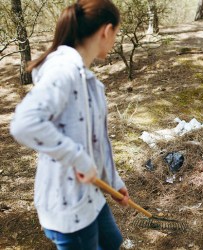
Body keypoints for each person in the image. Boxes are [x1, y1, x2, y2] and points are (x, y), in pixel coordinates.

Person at [10, 0, 129, 249]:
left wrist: (114, 181)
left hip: (91, 197)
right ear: (106, 31)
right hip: (68, 206)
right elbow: (24, 123)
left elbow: (96, 141)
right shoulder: (63, 71)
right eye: (116, 33)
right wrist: (79, 158)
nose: (114, 40)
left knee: (113, 241)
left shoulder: (88, 80)